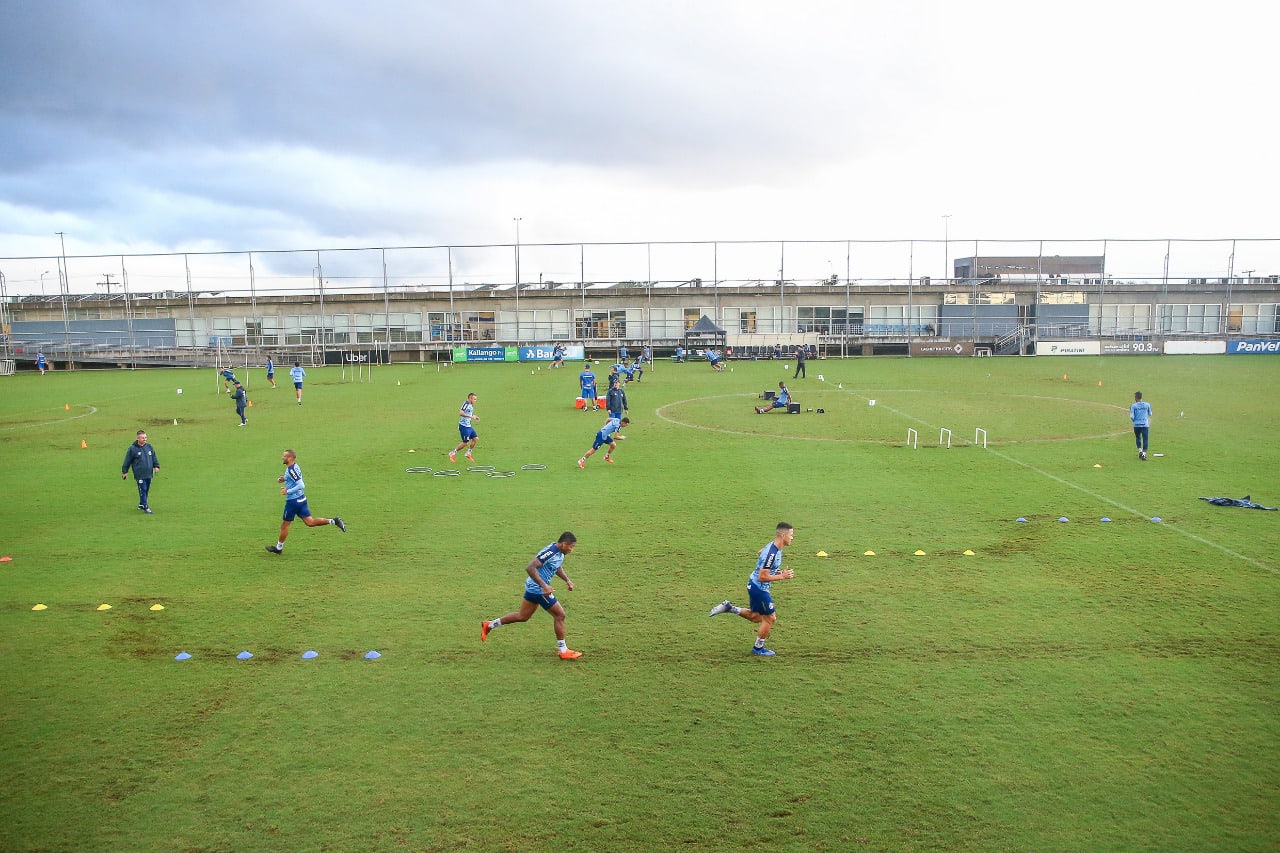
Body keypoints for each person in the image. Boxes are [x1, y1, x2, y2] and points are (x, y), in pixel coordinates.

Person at [481, 532, 582, 659]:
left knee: (523, 616)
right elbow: (530, 567)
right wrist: (544, 586)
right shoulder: (551, 552)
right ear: (563, 544)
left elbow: (556, 567)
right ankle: (563, 650)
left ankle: (489, 625)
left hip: (533, 588)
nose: (572, 550)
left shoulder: (560, 553)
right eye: (571, 546)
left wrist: (567, 580)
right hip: (539, 589)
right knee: (560, 615)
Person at [708, 522, 796, 656]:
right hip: (759, 588)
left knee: (756, 617)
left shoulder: (774, 546)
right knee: (770, 618)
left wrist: (776, 571)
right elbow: (762, 576)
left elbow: (761, 553)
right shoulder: (772, 553)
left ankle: (729, 608)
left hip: (755, 586)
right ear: (783, 535)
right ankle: (758, 648)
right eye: (791, 535)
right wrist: (782, 576)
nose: (792, 538)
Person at [265, 449, 346, 554]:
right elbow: (294, 478)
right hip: (302, 499)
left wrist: (287, 491)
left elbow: (301, 485)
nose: (282, 458)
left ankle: (279, 548)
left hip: (293, 501)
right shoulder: (294, 466)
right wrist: (284, 479)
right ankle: (334, 521)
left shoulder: (291, 470)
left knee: (285, 525)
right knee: (310, 522)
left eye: (284, 456)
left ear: (290, 458)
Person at [121, 429, 160, 514]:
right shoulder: (132, 449)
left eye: (145, 437)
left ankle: (142, 503)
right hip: (140, 474)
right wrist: (125, 472)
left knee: (146, 490)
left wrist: (156, 466)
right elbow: (127, 461)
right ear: (138, 438)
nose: (145, 439)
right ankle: (146, 507)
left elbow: (153, 457)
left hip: (149, 473)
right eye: (143, 438)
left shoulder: (149, 447)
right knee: (143, 489)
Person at [449, 392, 479, 463]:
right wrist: (471, 416)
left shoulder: (471, 405)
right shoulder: (465, 404)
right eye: (474, 399)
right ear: (470, 398)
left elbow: (469, 413)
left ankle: (468, 453)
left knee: (475, 439)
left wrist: (474, 416)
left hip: (469, 426)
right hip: (464, 426)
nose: (475, 401)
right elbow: (461, 413)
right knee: (465, 443)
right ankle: (452, 453)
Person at [1130, 390, 1152, 461]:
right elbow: (1150, 414)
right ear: (1141, 397)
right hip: (1145, 425)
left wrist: (1135, 421)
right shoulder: (1147, 404)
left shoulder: (1133, 406)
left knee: (1138, 437)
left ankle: (1140, 451)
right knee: (1145, 439)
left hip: (1136, 425)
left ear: (1136, 398)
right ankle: (1144, 455)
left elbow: (1132, 417)